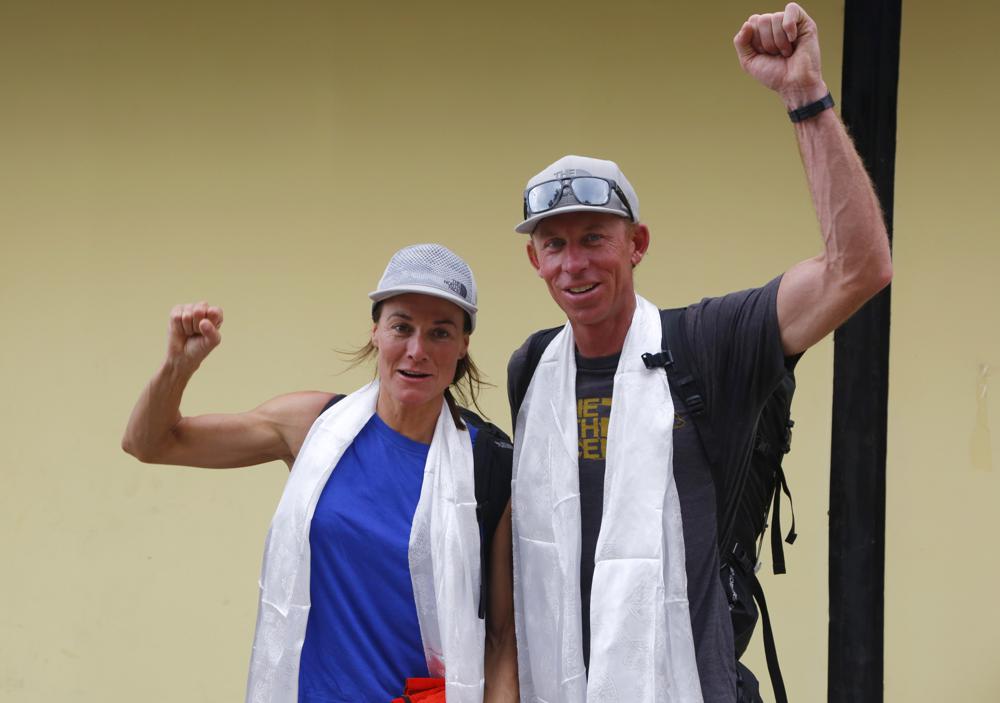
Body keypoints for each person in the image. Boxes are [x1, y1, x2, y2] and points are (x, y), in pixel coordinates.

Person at [506, 4, 892, 702]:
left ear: (637, 244)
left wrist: (805, 94)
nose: (573, 263)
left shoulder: (707, 343)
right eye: (554, 244)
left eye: (594, 238)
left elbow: (858, 267)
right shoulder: (533, 369)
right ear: (535, 260)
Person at [122, 244, 518, 703]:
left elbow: (503, 639)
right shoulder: (315, 427)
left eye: (440, 333)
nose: (417, 350)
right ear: (376, 332)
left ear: (463, 345)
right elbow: (151, 442)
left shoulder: (489, 464)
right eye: (401, 327)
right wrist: (177, 366)